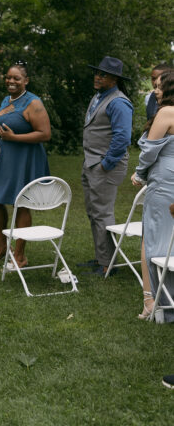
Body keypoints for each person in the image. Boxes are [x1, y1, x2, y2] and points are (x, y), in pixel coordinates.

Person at [0, 62, 51, 269]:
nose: (11, 81)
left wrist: (15, 137)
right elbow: (6, 126)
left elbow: (45, 134)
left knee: (21, 203)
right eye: (8, 78)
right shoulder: (6, 100)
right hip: (5, 159)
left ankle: (19, 255)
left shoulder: (34, 103)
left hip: (25, 159)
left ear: (26, 81)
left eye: (16, 79)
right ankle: (4, 247)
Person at [80, 55, 133, 276]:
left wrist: (105, 164)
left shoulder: (119, 102)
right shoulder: (99, 96)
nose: (97, 77)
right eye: (97, 72)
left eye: (103, 74)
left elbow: (122, 138)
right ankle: (102, 258)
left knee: (102, 213)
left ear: (114, 79)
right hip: (91, 162)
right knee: (94, 212)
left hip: (104, 165)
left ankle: (107, 265)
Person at [131, 70, 174, 321]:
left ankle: (151, 301)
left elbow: (149, 151)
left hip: (165, 182)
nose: (155, 91)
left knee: (152, 238)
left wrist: (139, 175)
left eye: (159, 87)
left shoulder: (166, 112)